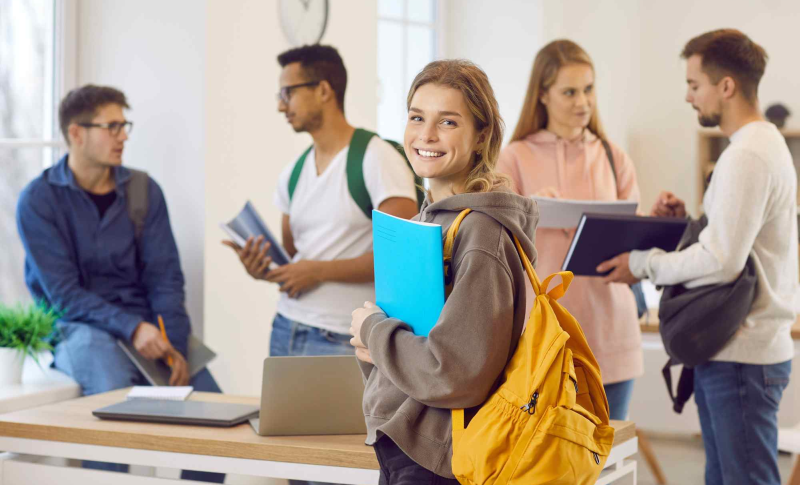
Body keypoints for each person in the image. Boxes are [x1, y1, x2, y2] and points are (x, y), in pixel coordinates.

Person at [600, 29, 797, 485]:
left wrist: (642, 262)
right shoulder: (760, 147)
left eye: (694, 85)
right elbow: (731, 243)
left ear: (725, 86)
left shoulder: (747, 154)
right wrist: (690, 223)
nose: (689, 97)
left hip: (742, 357)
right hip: (736, 352)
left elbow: (724, 260)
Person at [16, 84, 224, 483]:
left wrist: (173, 345)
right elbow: (63, 296)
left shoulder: (145, 191)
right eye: (112, 126)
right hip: (79, 328)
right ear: (76, 133)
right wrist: (132, 328)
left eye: (124, 125)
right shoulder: (38, 200)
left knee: (217, 411)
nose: (123, 135)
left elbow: (166, 278)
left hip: (148, 325)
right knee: (112, 395)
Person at [349, 59, 538, 484]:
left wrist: (376, 332)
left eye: (448, 122)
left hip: (440, 460)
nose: (426, 135)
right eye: (417, 117)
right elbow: (427, 342)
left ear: (481, 135)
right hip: (407, 444)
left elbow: (454, 373)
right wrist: (375, 346)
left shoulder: (481, 232)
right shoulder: (427, 223)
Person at [223, 44, 418, 363]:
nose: (280, 106)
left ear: (324, 90)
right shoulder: (293, 173)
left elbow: (401, 255)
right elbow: (294, 258)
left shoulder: (376, 157)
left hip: (342, 336)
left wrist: (317, 271)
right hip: (286, 327)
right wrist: (264, 270)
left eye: (287, 93)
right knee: (278, 416)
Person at [497, 39, 643, 421]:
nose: (583, 102)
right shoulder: (513, 157)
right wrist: (529, 210)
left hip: (611, 332)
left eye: (589, 89)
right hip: (542, 337)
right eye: (570, 92)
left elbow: (635, 247)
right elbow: (494, 244)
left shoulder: (614, 157)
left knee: (606, 463)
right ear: (542, 95)